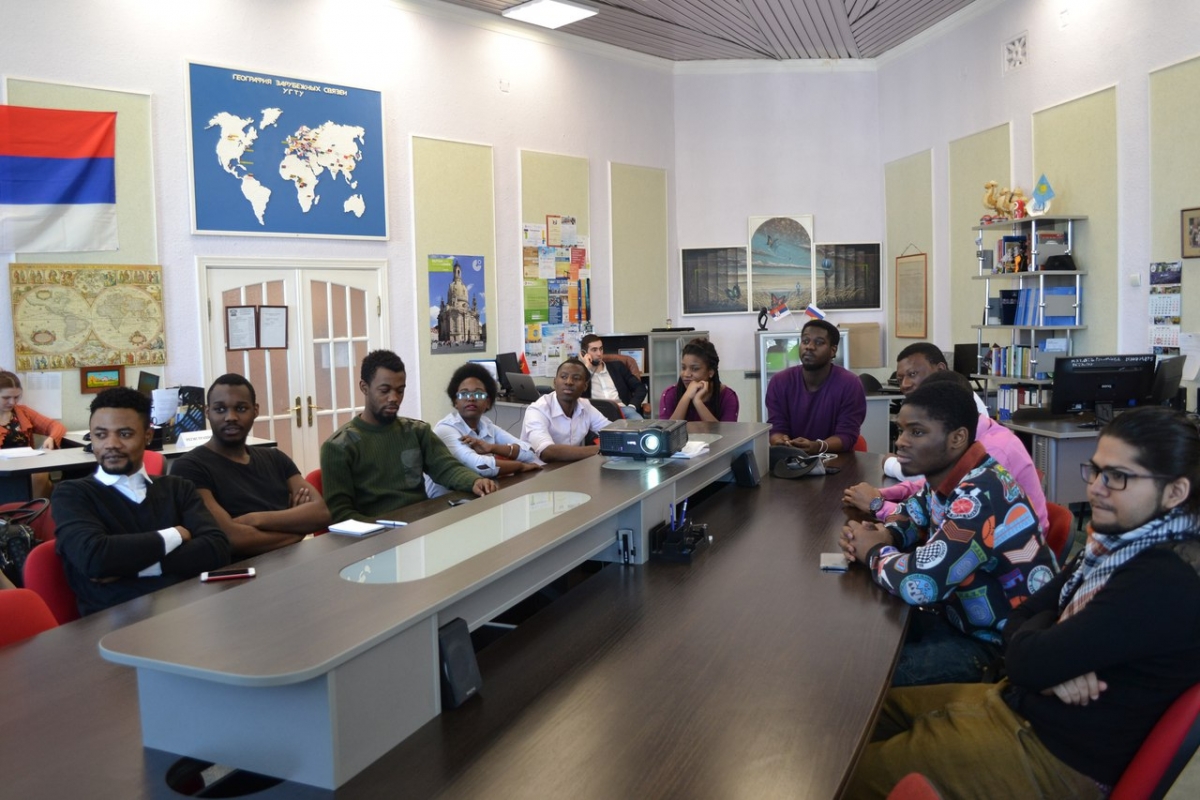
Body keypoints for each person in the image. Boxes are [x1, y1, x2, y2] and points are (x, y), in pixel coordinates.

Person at [846, 406, 1200, 799]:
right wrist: (1051, 656)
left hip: (1051, 753)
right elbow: (1024, 617)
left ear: (1175, 492)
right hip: (1015, 702)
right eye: (1097, 471)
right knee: (859, 717)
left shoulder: (1162, 580)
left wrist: (1045, 655)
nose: (1097, 488)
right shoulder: (1113, 546)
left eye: (1118, 477)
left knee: (843, 770)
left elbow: (1025, 659)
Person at [839, 379, 1056, 686]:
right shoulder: (949, 475)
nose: (901, 442)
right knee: (854, 641)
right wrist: (887, 535)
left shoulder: (979, 494)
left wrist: (872, 551)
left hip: (994, 646)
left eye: (917, 432)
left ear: (957, 438)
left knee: (862, 677)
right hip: (954, 617)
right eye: (901, 430)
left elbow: (922, 584)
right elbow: (913, 512)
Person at [52, 388, 231, 616]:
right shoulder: (72, 494)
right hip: (111, 625)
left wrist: (136, 567)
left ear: (147, 435)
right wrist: (176, 534)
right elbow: (96, 559)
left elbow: (217, 550)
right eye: (100, 435)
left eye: (125, 434)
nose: (111, 444)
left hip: (187, 612)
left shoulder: (177, 488)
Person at [842, 359, 1050, 539]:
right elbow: (924, 495)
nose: (900, 442)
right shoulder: (962, 449)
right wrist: (882, 496)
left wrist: (876, 511)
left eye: (918, 431)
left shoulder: (988, 462)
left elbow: (944, 541)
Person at [320, 350, 497, 522]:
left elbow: (446, 468)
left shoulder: (417, 431)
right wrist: (382, 531)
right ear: (364, 388)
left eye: (400, 390)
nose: (394, 398)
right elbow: (341, 514)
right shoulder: (339, 447)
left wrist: (474, 481)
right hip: (376, 535)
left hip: (419, 526)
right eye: (385, 390)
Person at [171, 374, 330, 557]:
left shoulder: (276, 458)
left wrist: (255, 519)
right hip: (238, 571)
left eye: (241, 408)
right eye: (220, 409)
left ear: (255, 411)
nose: (231, 417)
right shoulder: (189, 468)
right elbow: (230, 538)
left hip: (291, 563)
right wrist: (297, 529)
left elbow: (321, 513)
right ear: (207, 412)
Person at [426, 363, 542, 497]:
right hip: (443, 501)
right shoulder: (445, 429)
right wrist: (520, 466)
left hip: (478, 495)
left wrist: (492, 447)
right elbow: (481, 466)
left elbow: (530, 452)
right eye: (464, 394)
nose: (471, 398)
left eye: (479, 394)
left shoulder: (486, 425)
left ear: (488, 402)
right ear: (455, 402)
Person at [765, 319, 865, 454]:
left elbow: (847, 436)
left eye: (819, 342)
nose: (809, 347)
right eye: (805, 341)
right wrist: (781, 441)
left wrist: (817, 446)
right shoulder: (779, 382)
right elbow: (777, 428)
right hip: (791, 459)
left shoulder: (850, 384)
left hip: (837, 460)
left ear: (833, 350)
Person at [520, 357, 611, 463]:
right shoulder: (537, 410)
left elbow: (612, 431)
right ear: (555, 382)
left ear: (585, 386)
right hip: (538, 469)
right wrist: (601, 449)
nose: (569, 382)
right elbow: (546, 452)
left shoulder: (585, 406)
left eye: (576, 378)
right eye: (563, 377)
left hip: (570, 467)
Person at [0, 370, 68, 498]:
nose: (12, 402)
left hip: (27, 467)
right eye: (6, 398)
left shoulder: (22, 412)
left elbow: (56, 426)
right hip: (3, 473)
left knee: (40, 474)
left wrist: (52, 438)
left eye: (16, 397)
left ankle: (35, 509)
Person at [659, 337, 739, 422]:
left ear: (711, 372)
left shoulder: (727, 397)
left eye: (695, 369)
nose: (686, 374)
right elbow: (668, 429)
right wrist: (686, 397)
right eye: (683, 368)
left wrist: (698, 402)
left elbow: (725, 430)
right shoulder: (670, 394)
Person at [580, 334, 648, 418]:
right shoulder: (581, 374)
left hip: (621, 410)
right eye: (594, 350)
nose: (599, 353)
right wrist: (586, 368)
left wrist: (632, 407)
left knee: (639, 423)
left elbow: (640, 387)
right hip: (596, 413)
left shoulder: (617, 367)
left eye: (601, 349)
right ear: (584, 353)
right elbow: (576, 395)